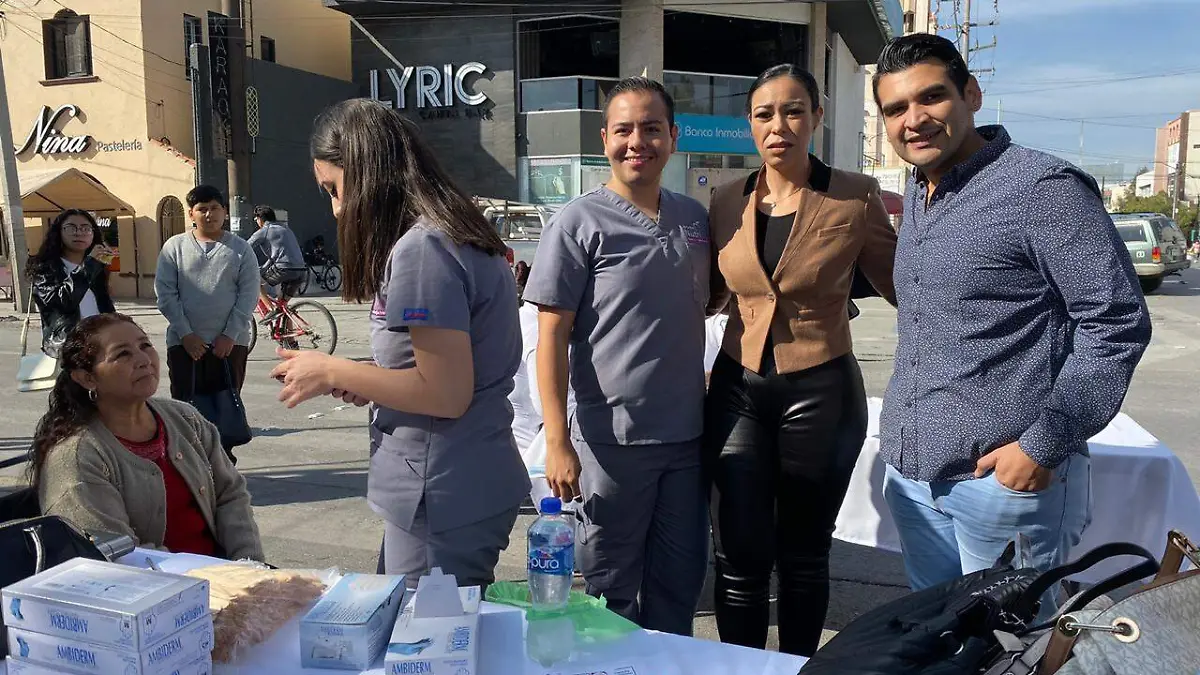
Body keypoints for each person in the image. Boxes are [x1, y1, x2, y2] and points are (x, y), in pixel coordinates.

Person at [872, 35, 1151, 600]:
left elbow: (1114, 320)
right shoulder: (920, 192)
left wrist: (1043, 444)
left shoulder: (1042, 190)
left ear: (971, 94)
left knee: (1016, 645)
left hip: (1003, 482)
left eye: (932, 97)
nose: (914, 119)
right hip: (915, 474)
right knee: (939, 637)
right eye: (896, 108)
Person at [270, 99, 530, 589]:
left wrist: (332, 371)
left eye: (334, 188)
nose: (337, 207)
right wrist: (372, 377)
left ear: (367, 171)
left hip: (442, 488)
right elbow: (444, 365)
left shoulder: (422, 249)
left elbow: (445, 393)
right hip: (463, 478)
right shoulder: (450, 233)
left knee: (426, 649)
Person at [704, 64, 898, 657]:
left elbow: (908, 286)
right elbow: (704, 294)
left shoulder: (855, 195)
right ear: (750, 126)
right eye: (765, 113)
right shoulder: (724, 201)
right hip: (738, 388)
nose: (779, 125)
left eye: (793, 111)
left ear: (816, 117)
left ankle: (796, 669)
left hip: (821, 390)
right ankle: (739, 670)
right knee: (738, 552)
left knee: (804, 553)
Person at [522, 77, 711, 636]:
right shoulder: (577, 223)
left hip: (686, 440)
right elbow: (550, 338)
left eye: (652, 129)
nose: (638, 142)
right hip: (610, 445)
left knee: (678, 588)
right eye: (624, 129)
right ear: (604, 138)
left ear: (673, 138)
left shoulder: (694, 219)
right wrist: (556, 440)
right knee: (609, 592)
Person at [32, 313, 264, 561]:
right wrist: (210, 582)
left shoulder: (185, 418)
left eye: (145, 345)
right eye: (123, 354)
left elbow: (231, 495)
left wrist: (249, 566)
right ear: (87, 378)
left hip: (228, 580)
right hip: (155, 591)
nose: (143, 360)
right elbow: (120, 556)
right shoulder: (77, 457)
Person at [155, 185, 260, 463]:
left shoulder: (241, 250)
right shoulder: (174, 248)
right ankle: (191, 467)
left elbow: (248, 296)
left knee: (224, 406)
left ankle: (224, 467)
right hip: (183, 344)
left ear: (224, 211)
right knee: (185, 408)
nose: (209, 213)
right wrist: (186, 334)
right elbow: (166, 294)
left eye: (215, 207)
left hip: (229, 345)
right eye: (202, 208)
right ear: (191, 213)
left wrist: (229, 335)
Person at [26, 209, 116, 357]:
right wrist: (89, 264)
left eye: (85, 228)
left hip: (101, 346)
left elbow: (105, 307)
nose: (79, 233)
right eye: (71, 228)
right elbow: (63, 302)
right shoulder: (44, 267)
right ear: (59, 232)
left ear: (93, 234)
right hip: (67, 348)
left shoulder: (96, 267)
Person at [247, 205, 308, 315]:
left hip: (284, 268)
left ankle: (271, 310)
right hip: (301, 270)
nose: (257, 222)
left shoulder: (264, 231)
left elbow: (245, 248)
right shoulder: (285, 228)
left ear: (260, 218)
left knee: (255, 283)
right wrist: (263, 269)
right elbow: (277, 256)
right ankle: (287, 330)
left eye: (256, 219)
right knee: (282, 304)